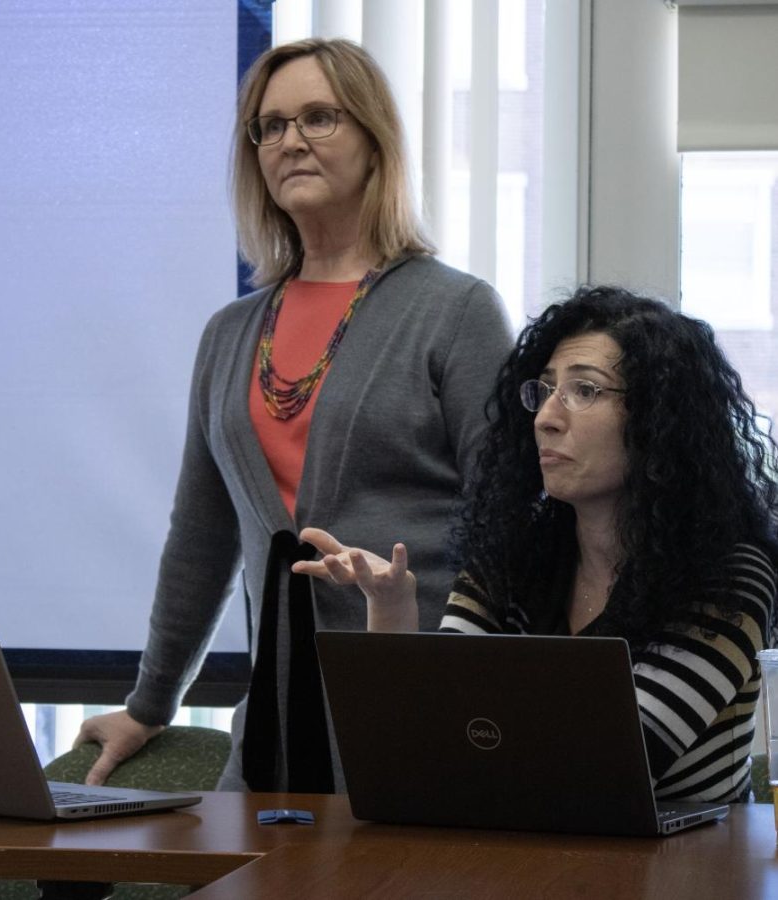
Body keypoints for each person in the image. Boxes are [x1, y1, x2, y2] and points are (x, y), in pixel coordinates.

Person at [75, 38, 512, 792]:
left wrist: (471, 697)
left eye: (318, 118)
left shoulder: (457, 311)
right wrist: (149, 705)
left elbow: (508, 528)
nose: (291, 142)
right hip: (271, 740)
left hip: (426, 723)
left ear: (375, 141)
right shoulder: (229, 332)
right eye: (269, 127)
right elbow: (201, 540)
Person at [295, 286, 778, 802]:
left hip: (683, 873)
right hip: (520, 863)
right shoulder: (512, 551)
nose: (546, 417)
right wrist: (392, 615)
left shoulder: (728, 576)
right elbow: (411, 754)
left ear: (661, 421)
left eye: (585, 390)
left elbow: (611, 769)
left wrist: (463, 741)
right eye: (545, 390)